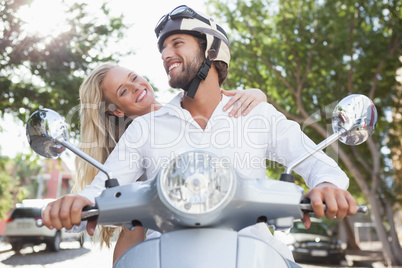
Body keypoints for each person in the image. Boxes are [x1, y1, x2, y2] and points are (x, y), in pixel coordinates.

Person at [42, 5, 357, 263]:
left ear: (211, 49)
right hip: (164, 259)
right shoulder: (144, 127)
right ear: (115, 111)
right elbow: (105, 185)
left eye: (176, 43)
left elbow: (317, 163)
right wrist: (78, 201)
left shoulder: (257, 113)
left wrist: (326, 186)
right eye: (163, 49)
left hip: (259, 258)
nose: (166, 55)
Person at [67, 62, 267, 262]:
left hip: (247, 248)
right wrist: (79, 204)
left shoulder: (187, 105)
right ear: (117, 111)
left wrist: (258, 96)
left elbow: (222, 100)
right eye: (124, 91)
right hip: (179, 254)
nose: (136, 87)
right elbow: (130, 232)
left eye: (134, 78)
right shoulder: (133, 154)